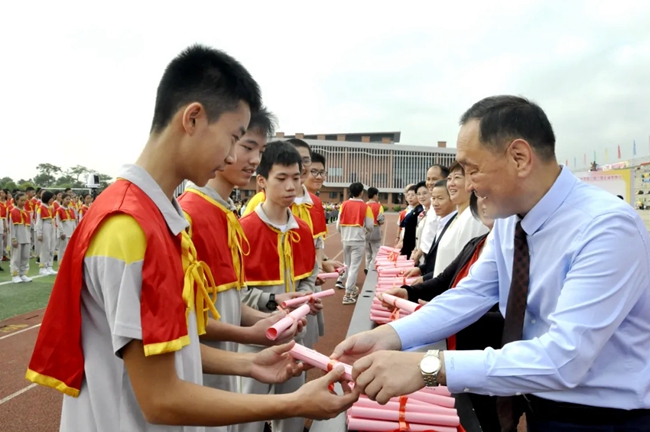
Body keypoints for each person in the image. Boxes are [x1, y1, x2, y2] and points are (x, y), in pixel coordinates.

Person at [26, 44, 358, 432]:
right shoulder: (129, 227)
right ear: (194, 119)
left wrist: (248, 361)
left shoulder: (159, 216)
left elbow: (169, 348)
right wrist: (293, 403)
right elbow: (161, 399)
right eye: (235, 137)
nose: (236, 155)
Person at [331, 95, 650, 431]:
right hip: (538, 399)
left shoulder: (606, 228)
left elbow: (564, 358)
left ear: (520, 157)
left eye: (473, 169)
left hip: (605, 418)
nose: (468, 185)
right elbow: (469, 295)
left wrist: (428, 366)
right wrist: (392, 335)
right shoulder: (512, 220)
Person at [381, 192, 504, 431]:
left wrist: (447, 316)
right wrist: (408, 293)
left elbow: (509, 317)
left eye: (492, 193)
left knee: (490, 418)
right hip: (456, 347)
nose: (486, 201)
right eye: (480, 195)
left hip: (487, 352)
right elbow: (446, 281)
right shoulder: (477, 243)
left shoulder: (517, 251)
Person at [237, 141, 320, 432]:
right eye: (281, 178)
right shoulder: (242, 231)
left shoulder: (303, 230)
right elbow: (236, 294)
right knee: (248, 414)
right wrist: (273, 301)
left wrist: (307, 297)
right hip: (254, 341)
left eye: (296, 178)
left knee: (294, 411)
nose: (291, 187)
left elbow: (310, 276)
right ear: (262, 181)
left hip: (294, 339)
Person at [336, 182, 374, 304]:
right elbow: (370, 226)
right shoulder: (365, 207)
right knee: (354, 267)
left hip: (345, 239)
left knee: (346, 264)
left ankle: (347, 286)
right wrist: (365, 232)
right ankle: (348, 293)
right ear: (362, 192)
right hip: (358, 240)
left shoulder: (344, 204)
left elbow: (338, 225)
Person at [410, 165, 449, 264]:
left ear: (446, 180)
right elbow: (428, 233)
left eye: (434, 179)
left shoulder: (448, 204)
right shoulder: (432, 204)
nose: (430, 183)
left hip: (437, 256)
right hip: (425, 256)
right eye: (428, 179)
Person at [9, 191, 32, 283]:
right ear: (16, 200)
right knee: (16, 258)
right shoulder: (13, 212)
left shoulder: (26, 212)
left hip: (26, 238)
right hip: (18, 238)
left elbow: (28, 226)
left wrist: (29, 237)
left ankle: (23, 274)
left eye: (24, 200)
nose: (23, 202)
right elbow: (12, 227)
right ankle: (15, 274)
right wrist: (13, 239)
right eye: (21, 200)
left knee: (25, 257)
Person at [35, 191, 57, 275]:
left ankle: (49, 266)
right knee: (45, 248)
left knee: (51, 247)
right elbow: (39, 221)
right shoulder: (41, 207)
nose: (53, 200)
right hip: (45, 226)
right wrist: (39, 233)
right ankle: (42, 267)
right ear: (47, 198)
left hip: (51, 226)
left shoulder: (51, 207)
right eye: (52, 198)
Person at [364, 187, 384, 272]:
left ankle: (367, 266)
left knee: (368, 252)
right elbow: (381, 220)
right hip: (375, 229)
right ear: (375, 195)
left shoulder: (364, 205)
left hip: (365, 231)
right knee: (376, 251)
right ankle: (371, 268)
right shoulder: (379, 206)